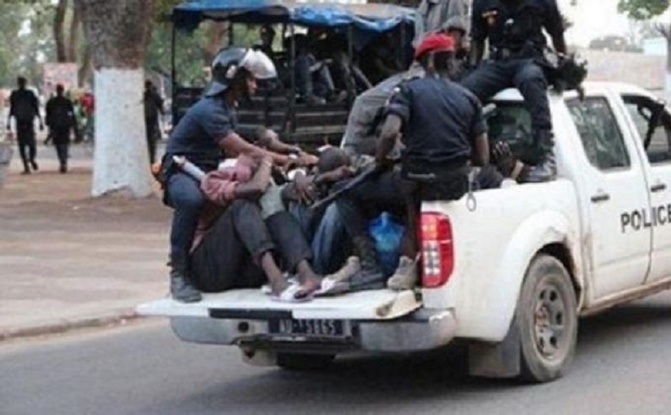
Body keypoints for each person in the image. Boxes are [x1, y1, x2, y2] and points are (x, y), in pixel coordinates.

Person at [344, 33, 500, 291]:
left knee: (347, 192)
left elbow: (390, 132)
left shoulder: (409, 91)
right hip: (456, 184)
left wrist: (381, 160)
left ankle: (376, 265)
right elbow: (482, 157)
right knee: (416, 194)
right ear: (450, 63)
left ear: (426, 62)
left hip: (416, 182)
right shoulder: (469, 98)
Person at [163, 46, 301, 303]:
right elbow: (242, 147)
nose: (254, 85)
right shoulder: (210, 109)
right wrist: (292, 160)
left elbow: (246, 139)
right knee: (192, 200)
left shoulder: (227, 108)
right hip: (182, 168)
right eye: (249, 78)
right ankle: (178, 274)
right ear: (234, 78)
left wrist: (272, 142)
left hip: (206, 169)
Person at [460, 0, 567, 182]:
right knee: (463, 94)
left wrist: (564, 66)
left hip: (529, 60)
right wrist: (472, 69)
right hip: (498, 63)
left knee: (531, 81)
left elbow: (557, 34)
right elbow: (477, 39)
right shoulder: (482, 3)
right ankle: (464, 154)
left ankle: (546, 158)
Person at [6, 76, 43, 174]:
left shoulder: (14, 94)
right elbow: (36, 108)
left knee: (22, 144)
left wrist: (9, 122)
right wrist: (40, 121)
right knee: (31, 143)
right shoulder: (30, 94)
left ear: (18, 83)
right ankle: (31, 159)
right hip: (29, 121)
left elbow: (12, 109)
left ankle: (26, 166)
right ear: (25, 83)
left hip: (20, 122)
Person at [45, 84, 76, 173]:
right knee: (65, 143)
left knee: (58, 144)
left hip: (55, 126)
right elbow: (71, 114)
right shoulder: (67, 101)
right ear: (62, 91)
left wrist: (48, 125)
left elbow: (48, 115)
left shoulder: (51, 102)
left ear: (57, 90)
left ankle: (62, 161)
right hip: (65, 125)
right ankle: (64, 161)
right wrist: (73, 125)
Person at [144, 80, 165, 165]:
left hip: (151, 120)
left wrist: (162, 111)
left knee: (151, 140)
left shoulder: (152, 95)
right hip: (149, 120)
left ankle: (151, 159)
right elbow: (160, 105)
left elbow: (160, 105)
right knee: (150, 141)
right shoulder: (148, 95)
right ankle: (151, 159)